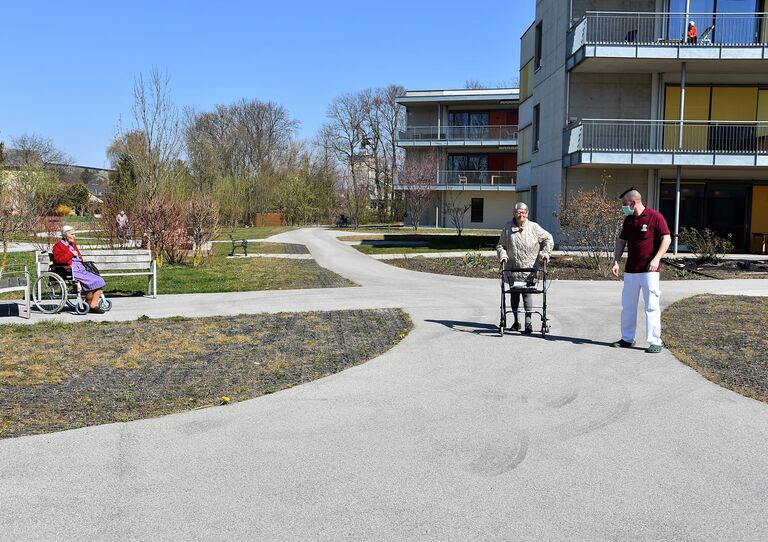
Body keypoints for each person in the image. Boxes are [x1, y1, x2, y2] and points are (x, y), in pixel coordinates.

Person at [611, 188, 671, 353]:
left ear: (633, 202)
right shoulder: (629, 220)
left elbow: (666, 238)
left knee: (651, 307)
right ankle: (627, 338)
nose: (623, 207)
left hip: (649, 271)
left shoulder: (654, 216)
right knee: (628, 307)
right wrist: (616, 261)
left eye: (624, 204)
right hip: (631, 271)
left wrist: (656, 259)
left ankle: (655, 341)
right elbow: (621, 241)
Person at [496, 202, 554, 334]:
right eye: (518, 212)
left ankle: (528, 323)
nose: (521, 215)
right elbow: (500, 245)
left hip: (530, 269)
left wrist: (545, 253)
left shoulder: (534, 227)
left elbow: (549, 239)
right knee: (514, 295)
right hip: (513, 268)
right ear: (514, 213)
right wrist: (503, 255)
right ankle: (516, 322)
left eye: (523, 212)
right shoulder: (508, 227)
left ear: (527, 213)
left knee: (527, 295)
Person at [53, 225, 107, 313]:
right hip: (72, 270)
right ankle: (92, 306)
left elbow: (79, 258)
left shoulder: (73, 245)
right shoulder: (58, 246)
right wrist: (71, 254)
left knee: (99, 280)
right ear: (65, 235)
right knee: (93, 282)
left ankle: (91, 305)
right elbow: (58, 260)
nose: (74, 236)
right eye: (72, 234)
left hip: (81, 269)